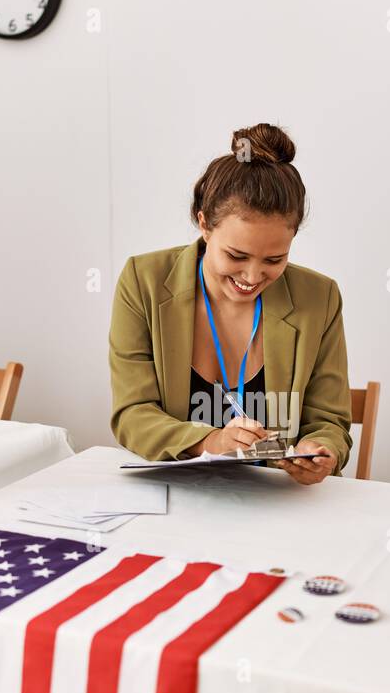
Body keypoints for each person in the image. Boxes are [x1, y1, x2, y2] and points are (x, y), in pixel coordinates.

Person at [108, 123, 353, 485]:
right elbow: (131, 414)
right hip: (175, 499)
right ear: (204, 224)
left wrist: (322, 449)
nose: (253, 276)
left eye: (274, 260)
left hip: (278, 504)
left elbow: (329, 420)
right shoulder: (143, 281)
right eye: (237, 255)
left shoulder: (320, 297)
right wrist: (210, 441)